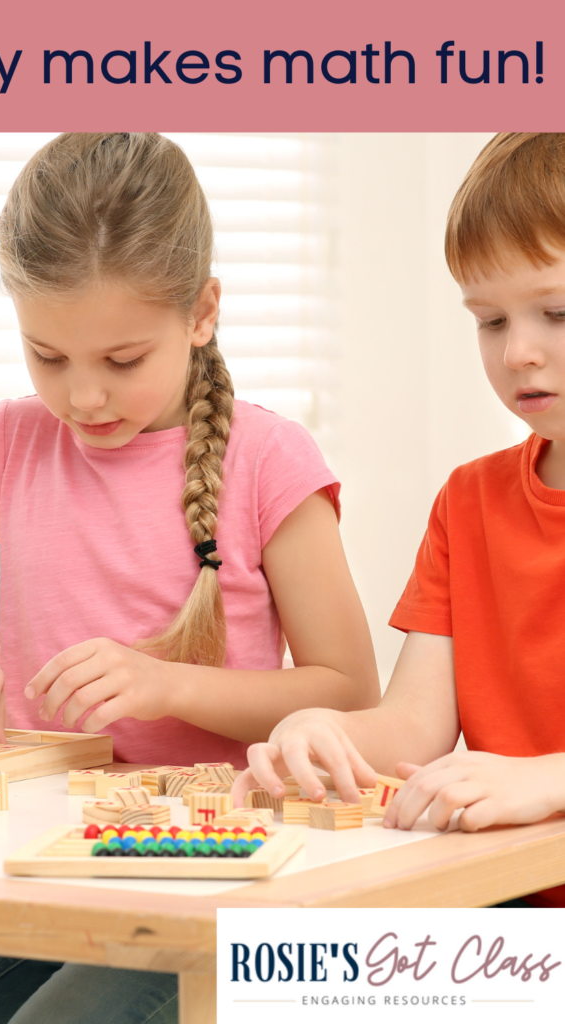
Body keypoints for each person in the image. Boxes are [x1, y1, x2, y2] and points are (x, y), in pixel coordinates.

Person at [0, 133, 379, 1022]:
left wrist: (166, 685)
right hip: (34, 851)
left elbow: (347, 689)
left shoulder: (267, 461)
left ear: (201, 313)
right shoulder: (12, 443)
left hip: (207, 864)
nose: (83, 400)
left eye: (121, 362)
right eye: (48, 357)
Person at [233, 132, 565, 910]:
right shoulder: (469, 501)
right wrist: (321, 734)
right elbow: (414, 725)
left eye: (555, 310)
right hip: (496, 915)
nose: (517, 351)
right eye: (488, 320)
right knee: (239, 975)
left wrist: (546, 777)